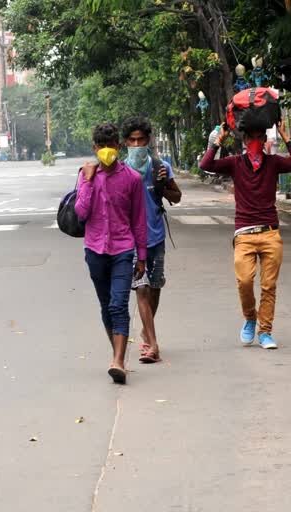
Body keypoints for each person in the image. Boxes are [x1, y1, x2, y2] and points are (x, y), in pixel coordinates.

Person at [199, 120, 291, 349]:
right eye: (251, 137)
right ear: (244, 141)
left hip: (270, 233)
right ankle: (250, 318)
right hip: (244, 234)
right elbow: (205, 164)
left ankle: (265, 331)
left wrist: (287, 136)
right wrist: (218, 141)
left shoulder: (274, 163)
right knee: (245, 281)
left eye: (259, 137)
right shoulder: (235, 163)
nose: (255, 142)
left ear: (264, 141)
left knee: (269, 285)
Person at [75, 122, 147, 384]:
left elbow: (139, 219)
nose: (106, 150)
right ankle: (117, 353)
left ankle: (118, 361)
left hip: (122, 250)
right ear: (95, 148)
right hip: (95, 250)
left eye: (110, 145)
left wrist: (142, 256)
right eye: (101, 146)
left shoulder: (132, 179)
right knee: (106, 306)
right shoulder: (86, 176)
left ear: (118, 146)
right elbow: (81, 212)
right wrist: (89, 181)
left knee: (119, 304)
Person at [121, 116, 182, 363]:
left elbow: (176, 196)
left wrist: (161, 187)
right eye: (132, 140)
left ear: (148, 141)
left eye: (141, 139)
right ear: (125, 142)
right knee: (142, 288)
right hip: (132, 241)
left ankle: (147, 331)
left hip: (156, 236)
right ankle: (151, 344)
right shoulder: (121, 169)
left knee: (155, 288)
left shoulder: (160, 167)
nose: (137, 144)